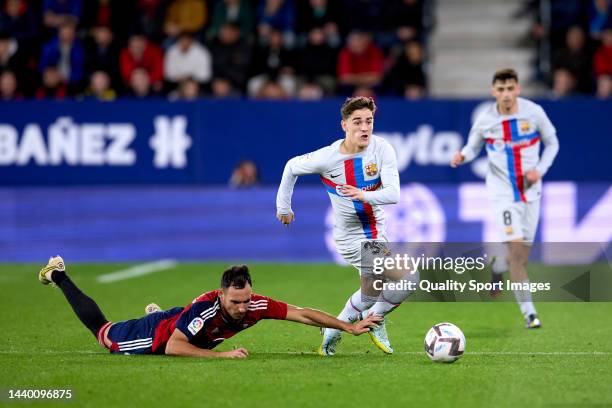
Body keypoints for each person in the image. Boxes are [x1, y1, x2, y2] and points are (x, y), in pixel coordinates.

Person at [276, 96, 414, 356]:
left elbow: (394, 193)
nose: (364, 128)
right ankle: (376, 320)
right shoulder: (328, 158)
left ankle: (332, 332)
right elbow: (291, 167)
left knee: (371, 293)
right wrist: (284, 207)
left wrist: (364, 195)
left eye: (369, 122)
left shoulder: (382, 148)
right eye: (357, 122)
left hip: (376, 232)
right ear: (344, 125)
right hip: (351, 237)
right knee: (409, 278)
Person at [38, 256, 381, 358]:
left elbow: (303, 313)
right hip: (157, 338)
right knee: (105, 334)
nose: (243, 308)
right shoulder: (208, 308)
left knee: (186, 325)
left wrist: (348, 326)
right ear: (221, 295)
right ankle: (58, 274)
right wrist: (221, 357)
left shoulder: (253, 304)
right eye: (235, 302)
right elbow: (173, 348)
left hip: (184, 321)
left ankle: (163, 315)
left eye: (246, 299)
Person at [450, 68, 559, 329]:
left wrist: (539, 170)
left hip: (531, 192)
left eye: (511, 88)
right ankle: (530, 313)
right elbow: (473, 146)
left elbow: (552, 143)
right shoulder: (486, 120)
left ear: (518, 89)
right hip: (502, 194)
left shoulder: (533, 113)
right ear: (493, 92)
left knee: (520, 256)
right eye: (501, 89)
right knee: (518, 253)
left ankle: (498, 266)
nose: (506, 94)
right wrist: (463, 156)